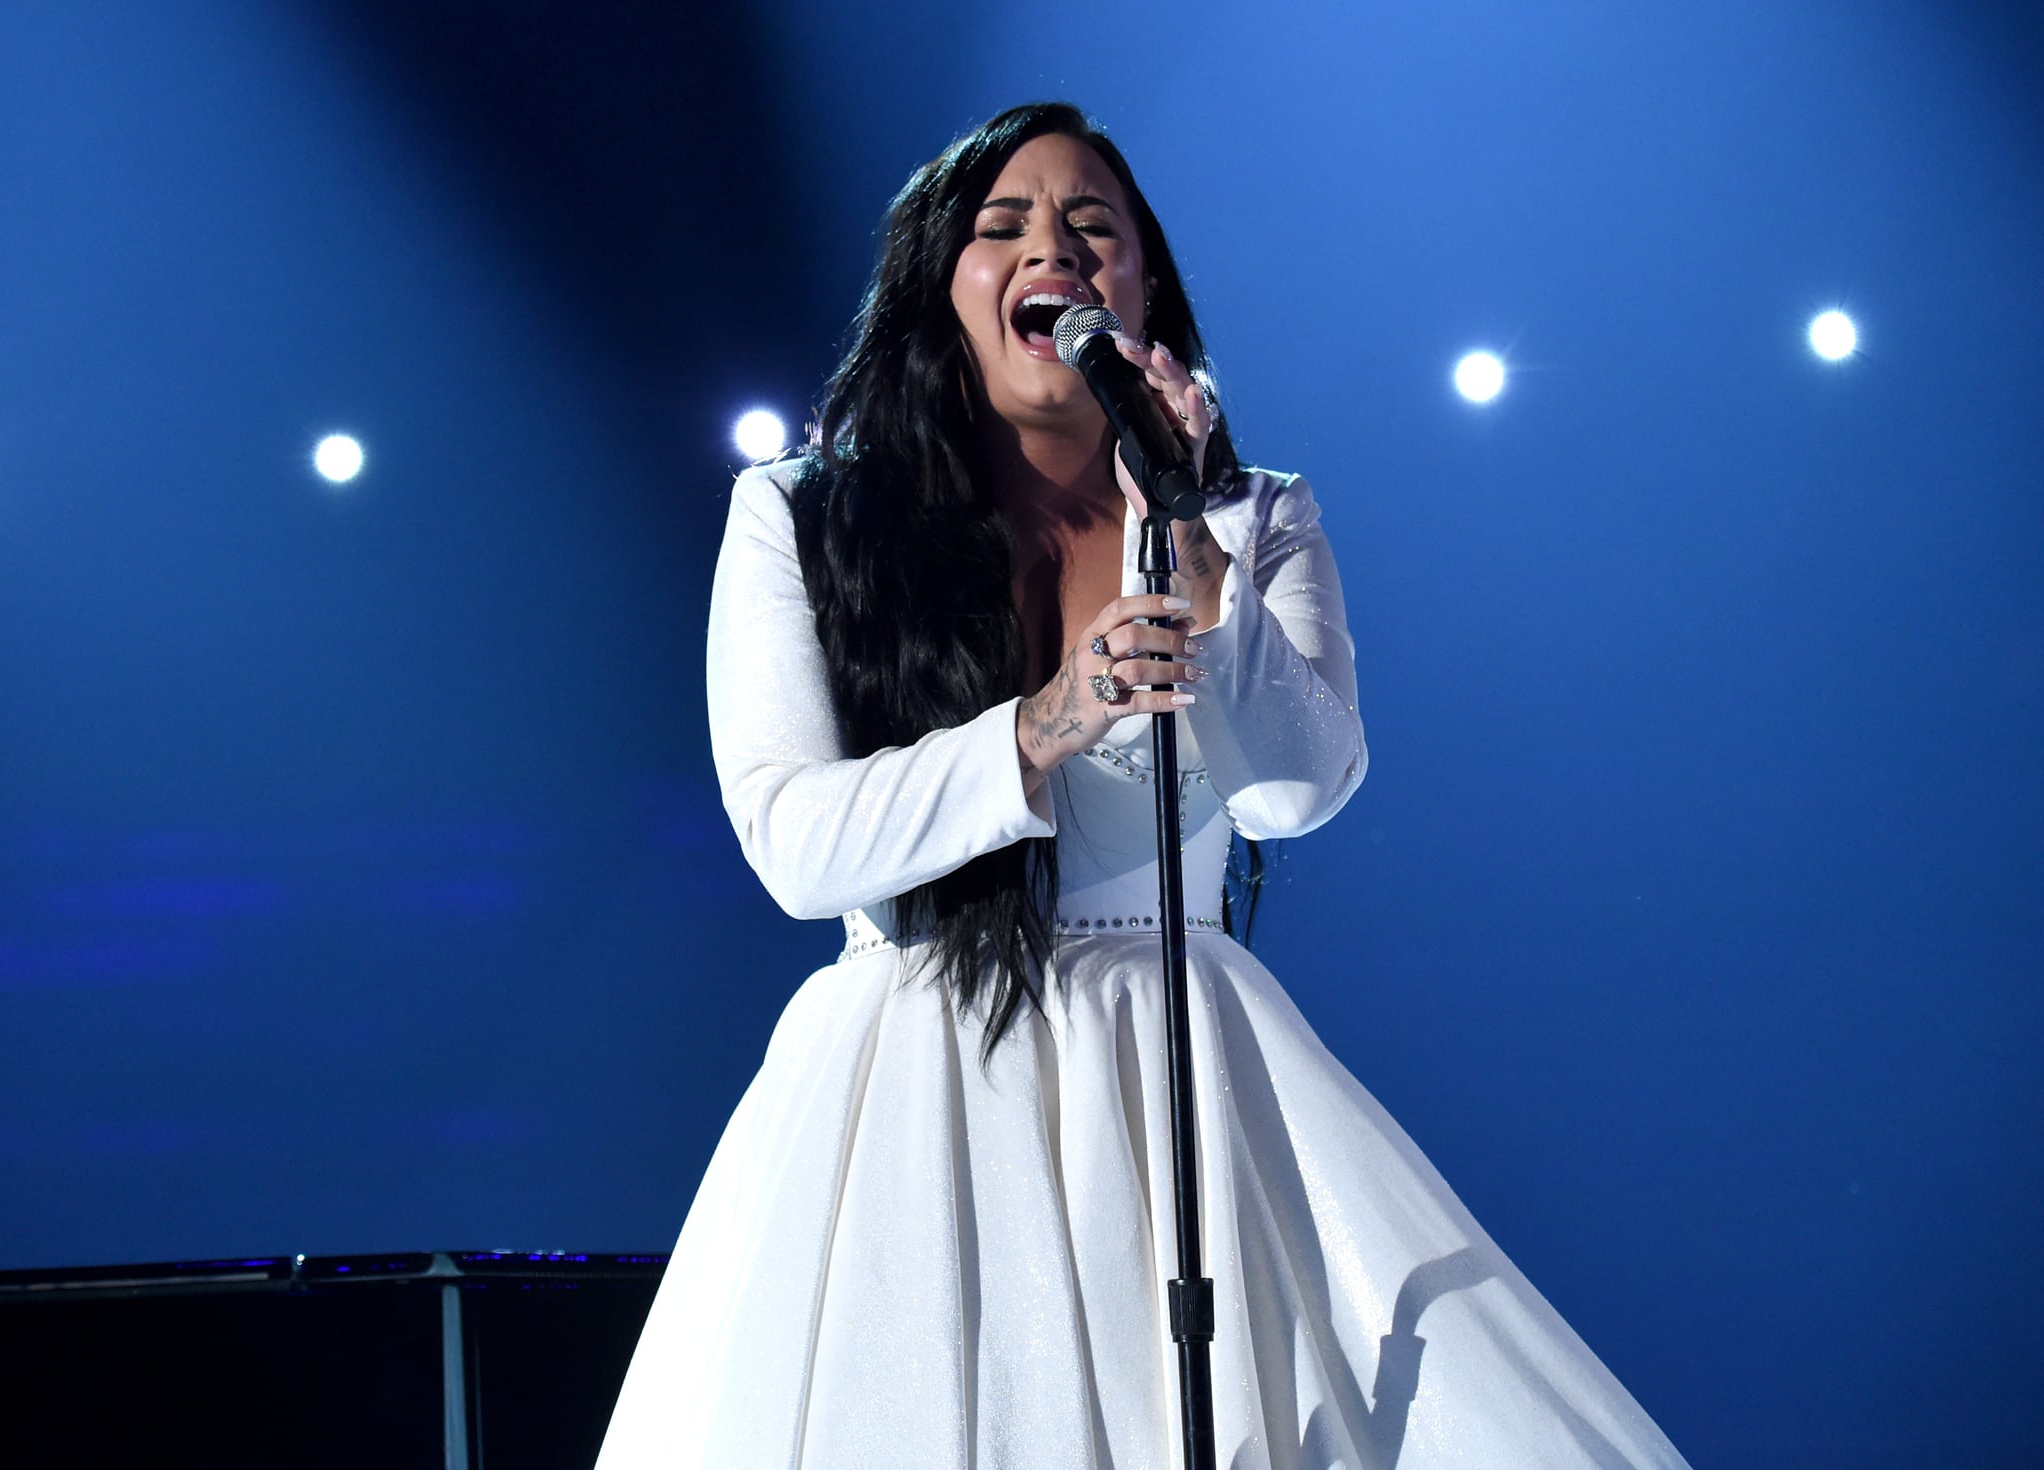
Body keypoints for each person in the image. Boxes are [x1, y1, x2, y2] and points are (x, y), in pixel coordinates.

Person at [597, 102, 1688, 1468]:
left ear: (1144, 290)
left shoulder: (1254, 514)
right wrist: (1045, 719)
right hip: (915, 1074)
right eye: (1002, 228)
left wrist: (1184, 531)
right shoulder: (806, 516)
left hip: (1184, 1056)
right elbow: (797, 845)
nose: (1050, 249)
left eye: (1091, 228)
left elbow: (1297, 788)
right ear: (947, 286)